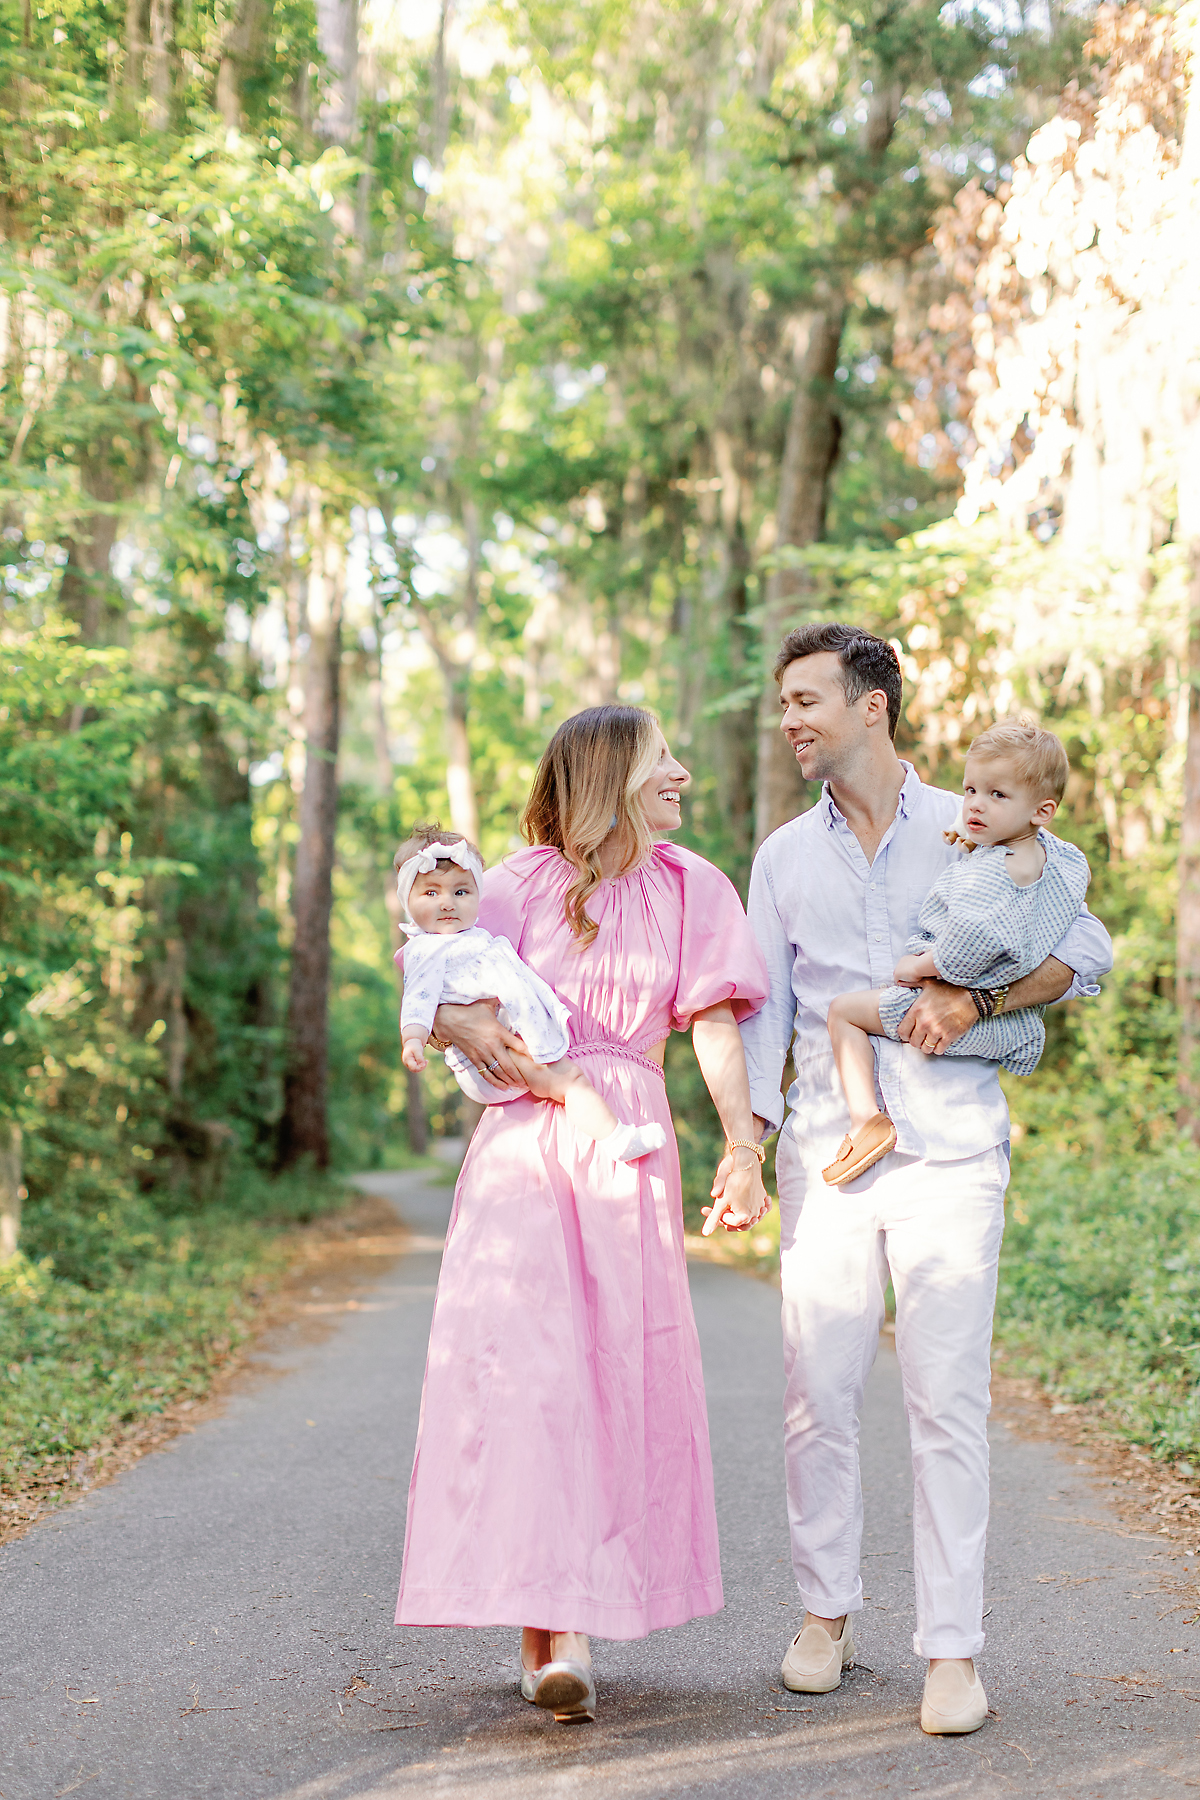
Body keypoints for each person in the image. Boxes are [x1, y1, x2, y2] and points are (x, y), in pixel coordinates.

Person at [728, 624, 1112, 1737]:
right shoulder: (782, 857)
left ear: (873, 708)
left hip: (953, 1150)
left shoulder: (979, 823)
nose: (791, 720)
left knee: (946, 1402)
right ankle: (824, 1615)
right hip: (832, 1157)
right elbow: (770, 1017)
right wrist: (745, 1148)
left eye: (808, 701)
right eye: (784, 704)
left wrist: (982, 1003)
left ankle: (952, 1653)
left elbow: (1084, 954)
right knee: (819, 1395)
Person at [394, 704, 771, 1724]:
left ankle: (586, 1605)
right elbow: (444, 994)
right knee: (532, 1375)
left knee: (614, 1372)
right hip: (526, 1134)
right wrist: (549, 1076)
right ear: (607, 776)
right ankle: (550, 1632)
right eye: (662, 762)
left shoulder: (695, 885)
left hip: (630, 1143)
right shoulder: (510, 885)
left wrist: (743, 1147)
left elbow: (716, 1027)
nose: (682, 775)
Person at [822, 719, 1090, 1186]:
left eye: (997, 796)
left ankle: (865, 1120)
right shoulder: (1057, 861)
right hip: (1004, 1022)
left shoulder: (992, 871)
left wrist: (917, 966)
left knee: (843, 1013)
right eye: (970, 791)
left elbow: (968, 948)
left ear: (1042, 811)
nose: (974, 806)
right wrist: (986, 838)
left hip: (934, 1005)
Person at [395, 823, 667, 1164]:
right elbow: (417, 1000)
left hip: (510, 1042)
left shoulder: (473, 936)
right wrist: (414, 1041)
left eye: (461, 892)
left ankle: (614, 1134)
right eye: (431, 893)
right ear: (407, 900)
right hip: (487, 1061)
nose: (447, 903)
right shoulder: (426, 950)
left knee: (568, 1082)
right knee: (570, 1082)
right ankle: (616, 1137)